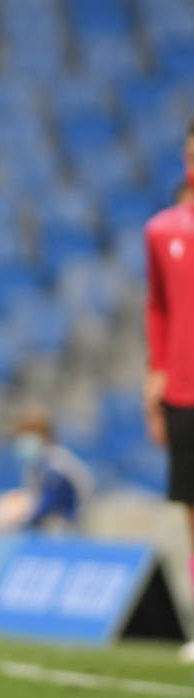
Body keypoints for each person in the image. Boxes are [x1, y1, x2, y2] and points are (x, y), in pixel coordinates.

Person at [145, 120, 194, 654]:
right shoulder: (163, 231)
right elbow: (157, 307)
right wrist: (153, 375)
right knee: (191, 509)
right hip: (183, 391)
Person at [0, 408, 93, 533]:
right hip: (46, 528)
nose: (23, 441)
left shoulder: (58, 463)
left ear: (44, 436)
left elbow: (50, 501)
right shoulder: (33, 466)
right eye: (21, 435)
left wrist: (20, 519)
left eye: (28, 435)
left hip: (66, 530)